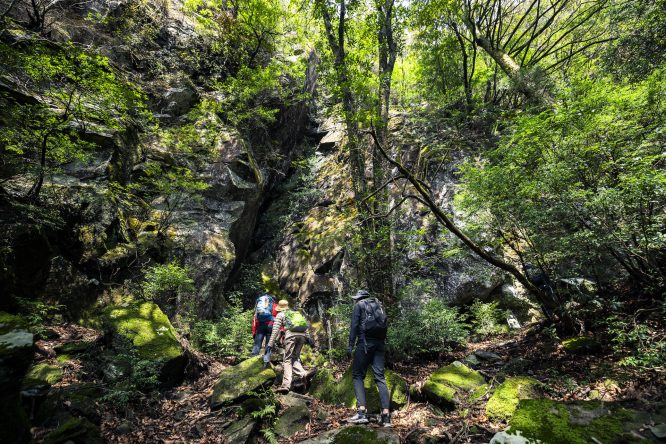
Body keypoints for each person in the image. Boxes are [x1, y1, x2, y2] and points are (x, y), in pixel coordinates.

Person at [346, 289, 391, 427]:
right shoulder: (378, 304)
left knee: (357, 375)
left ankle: (362, 412)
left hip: (365, 344)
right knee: (380, 377)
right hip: (379, 345)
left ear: (359, 298)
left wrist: (350, 346)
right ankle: (386, 416)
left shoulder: (359, 305)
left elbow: (354, 326)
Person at [266, 299, 313, 394]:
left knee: (287, 360)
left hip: (291, 336)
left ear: (279, 308)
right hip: (302, 336)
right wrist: (308, 337)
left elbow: (275, 330)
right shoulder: (295, 313)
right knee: (294, 358)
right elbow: (305, 326)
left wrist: (270, 344)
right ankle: (304, 374)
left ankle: (286, 385)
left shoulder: (280, 315)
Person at [252, 293, 278, 366]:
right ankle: (266, 362)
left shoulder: (262, 306)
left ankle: (253, 357)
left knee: (258, 342)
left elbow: (255, 318)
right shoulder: (276, 306)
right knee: (269, 344)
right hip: (271, 325)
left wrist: (254, 331)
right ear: (274, 300)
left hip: (261, 324)